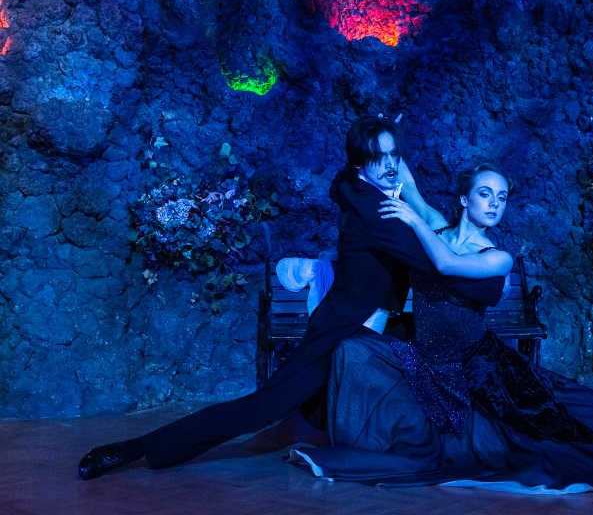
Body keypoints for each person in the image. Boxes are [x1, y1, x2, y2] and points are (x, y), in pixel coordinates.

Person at [77, 117, 505, 480]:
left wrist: (396, 172)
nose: (391, 165)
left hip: (370, 335)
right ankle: (134, 448)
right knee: (262, 409)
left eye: (394, 155)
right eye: (379, 158)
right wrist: (490, 283)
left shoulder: (355, 185)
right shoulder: (380, 214)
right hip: (340, 334)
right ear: (361, 163)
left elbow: (349, 180)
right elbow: (440, 266)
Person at [288, 163, 593, 492]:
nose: (494, 203)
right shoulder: (438, 226)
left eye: (502, 197)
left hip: (476, 366)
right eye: (485, 194)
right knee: (350, 348)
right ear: (464, 198)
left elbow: (446, 264)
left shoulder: (497, 257)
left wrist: (413, 221)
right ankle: (358, 442)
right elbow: (411, 185)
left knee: (559, 426)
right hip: (425, 357)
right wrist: (385, 143)